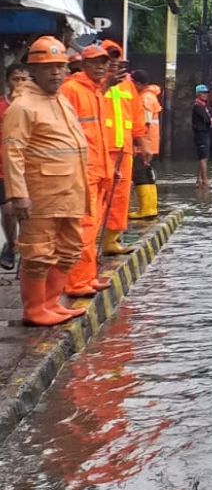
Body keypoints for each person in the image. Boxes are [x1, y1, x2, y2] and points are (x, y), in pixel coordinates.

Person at [2, 36, 90, 326]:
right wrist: (18, 194)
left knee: (69, 248)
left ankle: (52, 303)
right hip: (40, 193)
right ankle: (35, 309)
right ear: (34, 70)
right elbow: (12, 151)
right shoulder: (23, 106)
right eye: (48, 67)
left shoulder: (61, 100)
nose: (55, 72)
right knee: (38, 253)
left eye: (59, 66)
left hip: (71, 191)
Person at [59, 45, 116, 297]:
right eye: (95, 62)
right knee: (84, 228)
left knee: (92, 228)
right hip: (83, 172)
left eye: (103, 62)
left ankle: (87, 277)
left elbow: (100, 135)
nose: (101, 66)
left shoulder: (96, 92)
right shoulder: (72, 90)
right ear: (83, 64)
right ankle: (77, 282)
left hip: (99, 170)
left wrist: (110, 168)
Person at [99, 40, 148, 256]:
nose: (115, 66)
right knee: (98, 197)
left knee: (119, 197)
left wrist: (142, 143)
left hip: (124, 150)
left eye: (118, 62)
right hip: (101, 148)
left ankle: (111, 239)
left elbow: (136, 117)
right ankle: (92, 241)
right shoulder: (94, 84)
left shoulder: (128, 85)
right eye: (110, 61)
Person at [0, 63, 30, 270]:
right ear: (8, 82)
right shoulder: (2, 106)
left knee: (28, 213)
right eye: (15, 79)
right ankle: (10, 246)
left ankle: (27, 250)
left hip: (29, 168)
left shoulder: (34, 108)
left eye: (24, 79)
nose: (19, 84)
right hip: (3, 168)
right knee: (9, 210)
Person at [130, 70, 161, 220]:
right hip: (150, 143)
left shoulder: (144, 98)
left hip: (144, 144)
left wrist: (139, 141)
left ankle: (146, 209)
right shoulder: (150, 96)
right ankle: (151, 208)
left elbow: (145, 122)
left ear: (139, 84)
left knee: (140, 174)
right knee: (147, 174)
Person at [192, 84, 212, 187]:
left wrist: (210, 120)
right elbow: (207, 120)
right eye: (203, 93)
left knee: (203, 157)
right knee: (203, 158)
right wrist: (211, 121)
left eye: (206, 93)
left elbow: (208, 118)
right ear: (198, 94)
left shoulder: (203, 105)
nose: (205, 95)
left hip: (204, 133)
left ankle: (199, 180)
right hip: (201, 134)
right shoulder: (198, 106)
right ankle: (205, 181)